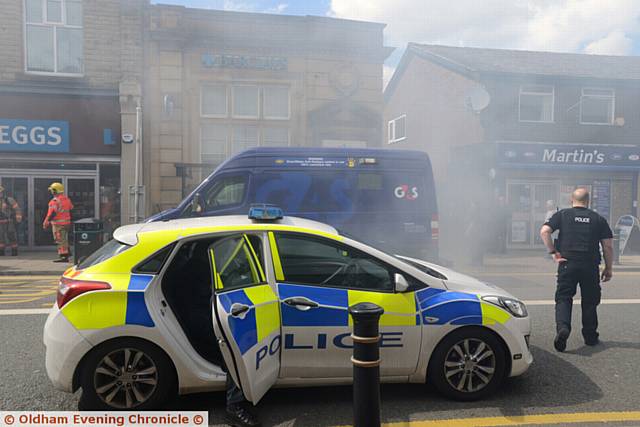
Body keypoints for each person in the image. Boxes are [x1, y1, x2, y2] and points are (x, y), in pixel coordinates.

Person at [539, 188, 613, 352]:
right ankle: (590, 336)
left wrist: (553, 253)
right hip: (590, 266)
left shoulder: (563, 215)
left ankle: (563, 328)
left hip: (567, 263)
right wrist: (608, 268)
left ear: (572, 200)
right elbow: (607, 246)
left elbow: (544, 231)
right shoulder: (598, 219)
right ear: (588, 201)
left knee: (564, 297)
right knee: (590, 301)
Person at [42, 182, 74, 263]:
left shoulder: (54, 201)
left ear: (55, 191)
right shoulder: (67, 199)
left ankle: (64, 256)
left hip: (58, 224)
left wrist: (46, 222)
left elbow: (51, 213)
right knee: (64, 239)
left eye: (52, 190)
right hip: (67, 223)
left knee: (59, 239)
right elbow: (71, 208)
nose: (51, 192)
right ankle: (67, 252)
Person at [0, 184, 23, 256]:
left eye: (0, 192)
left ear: (3, 192)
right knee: (1, 238)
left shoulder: (9, 200)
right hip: (0, 224)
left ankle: (14, 251)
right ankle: (1, 252)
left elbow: (17, 209)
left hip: (9, 222)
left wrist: (18, 218)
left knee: (12, 236)